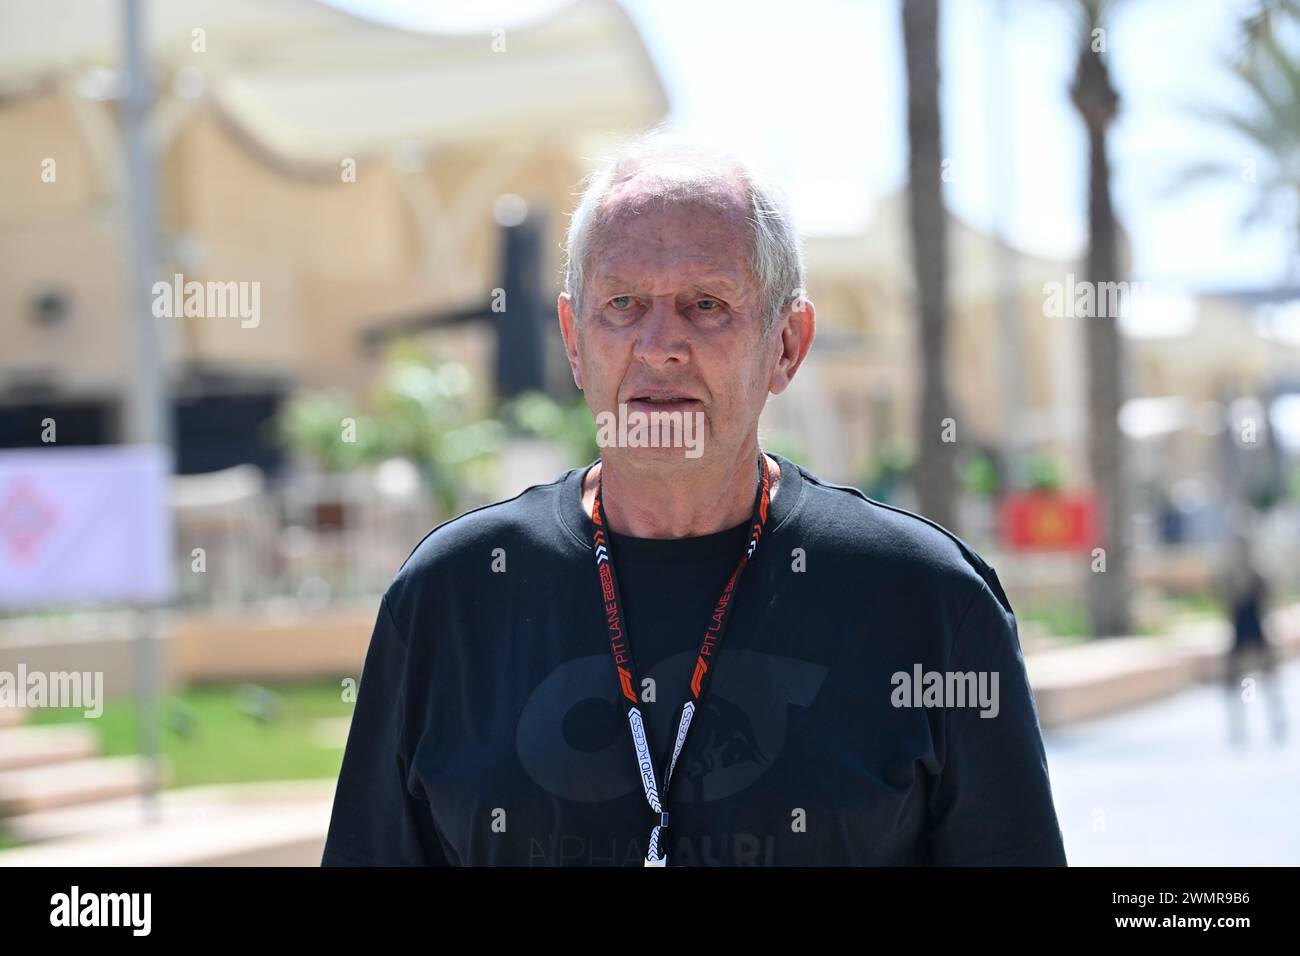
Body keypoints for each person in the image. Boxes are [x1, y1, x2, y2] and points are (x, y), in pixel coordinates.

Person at [321, 131, 1067, 866]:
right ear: (575, 341)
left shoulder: (928, 599)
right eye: (622, 303)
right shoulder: (450, 597)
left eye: (707, 304)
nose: (659, 345)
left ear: (787, 345)